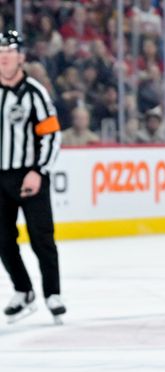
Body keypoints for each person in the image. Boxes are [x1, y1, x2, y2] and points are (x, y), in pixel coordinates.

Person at [0, 30, 65, 323]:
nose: (4, 57)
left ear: (21, 57)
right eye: (0, 52)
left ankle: (53, 293)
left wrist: (38, 171)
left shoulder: (35, 92)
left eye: (10, 51)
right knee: (2, 240)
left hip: (31, 175)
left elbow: (51, 135)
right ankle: (23, 290)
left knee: (42, 238)